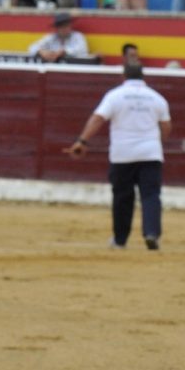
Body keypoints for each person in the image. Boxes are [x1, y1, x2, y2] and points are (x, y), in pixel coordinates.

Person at [64, 59, 172, 251]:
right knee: (151, 195)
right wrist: (157, 143)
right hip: (150, 153)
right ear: (143, 77)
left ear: (123, 76)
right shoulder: (156, 97)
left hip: (123, 154)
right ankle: (151, 233)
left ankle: (120, 240)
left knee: (123, 197)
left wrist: (82, 141)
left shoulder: (115, 96)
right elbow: (166, 125)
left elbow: (98, 119)